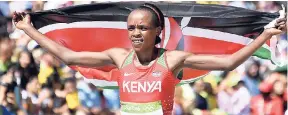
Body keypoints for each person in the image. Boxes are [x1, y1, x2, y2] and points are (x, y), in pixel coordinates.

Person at [13, 3, 286, 115]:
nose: (135, 32)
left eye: (142, 27)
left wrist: (264, 35)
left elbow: (228, 63)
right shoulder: (119, 57)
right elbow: (67, 55)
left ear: (158, 31)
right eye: (131, 27)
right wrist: (29, 29)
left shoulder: (174, 59)